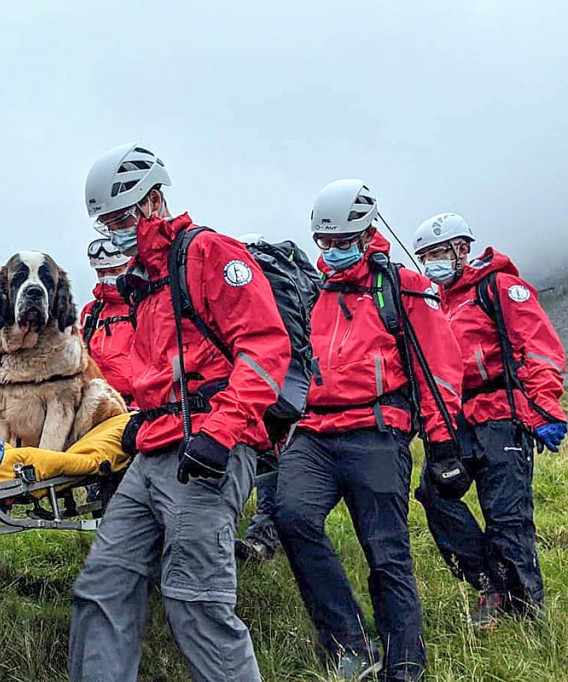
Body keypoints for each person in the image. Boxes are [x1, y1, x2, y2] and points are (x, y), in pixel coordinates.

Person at [69, 143, 291, 682]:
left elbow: (264, 350)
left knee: (196, 602)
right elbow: (159, 374)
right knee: (103, 586)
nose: (114, 229)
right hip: (155, 450)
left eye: (122, 217)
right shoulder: (142, 283)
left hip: (207, 451)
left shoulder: (209, 254)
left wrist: (221, 433)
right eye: (106, 221)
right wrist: (144, 417)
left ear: (154, 202)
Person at [274, 180, 463, 681]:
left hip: (377, 431)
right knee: (290, 516)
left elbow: (438, 368)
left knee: (386, 552)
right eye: (325, 243)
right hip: (313, 431)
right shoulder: (314, 292)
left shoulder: (404, 287)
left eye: (342, 242)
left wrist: (443, 444)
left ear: (368, 231)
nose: (332, 252)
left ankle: (404, 665)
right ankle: (349, 641)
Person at [412, 212, 566, 626]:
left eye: (438, 253)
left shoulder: (500, 288)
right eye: (424, 257)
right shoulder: (432, 304)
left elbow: (538, 347)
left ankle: (525, 613)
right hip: (455, 421)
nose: (431, 264)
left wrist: (547, 408)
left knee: (507, 516)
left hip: (502, 415)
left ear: (462, 249)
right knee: (433, 494)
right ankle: (490, 583)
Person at [80, 238, 135, 405]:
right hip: (98, 403)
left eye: (114, 270)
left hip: (138, 405)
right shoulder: (91, 312)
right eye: (101, 272)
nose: (107, 277)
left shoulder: (145, 305)